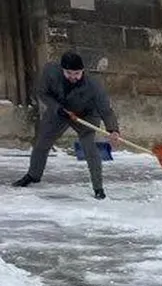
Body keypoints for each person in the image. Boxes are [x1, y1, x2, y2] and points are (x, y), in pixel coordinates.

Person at [11, 52, 122, 200]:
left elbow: (106, 111)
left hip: (86, 115)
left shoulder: (94, 85)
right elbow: (43, 93)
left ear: (82, 70)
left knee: (89, 148)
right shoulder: (50, 72)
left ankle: (98, 188)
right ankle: (33, 175)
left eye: (77, 73)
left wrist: (113, 130)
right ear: (62, 69)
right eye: (69, 73)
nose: (73, 76)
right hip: (60, 111)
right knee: (41, 143)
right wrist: (57, 109)